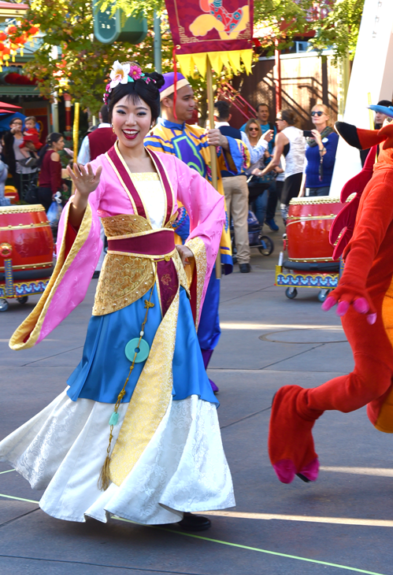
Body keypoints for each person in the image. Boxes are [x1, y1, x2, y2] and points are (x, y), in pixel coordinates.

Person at [0, 61, 234, 530]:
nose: (131, 121)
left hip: (170, 289)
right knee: (113, 384)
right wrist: (82, 197)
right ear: (109, 117)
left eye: (141, 112)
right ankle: (100, 486)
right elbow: (76, 232)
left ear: (153, 117)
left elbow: (212, 205)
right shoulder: (97, 169)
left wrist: (194, 249)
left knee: (181, 386)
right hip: (122, 291)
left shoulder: (171, 166)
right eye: (122, 111)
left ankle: (178, 494)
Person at [145, 71, 240, 386]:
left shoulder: (205, 135)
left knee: (209, 312)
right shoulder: (154, 140)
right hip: (176, 238)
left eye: (194, 96)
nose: (194, 103)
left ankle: (199, 373)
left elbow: (241, 163)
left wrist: (225, 142)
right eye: (186, 98)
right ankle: (177, 375)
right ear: (168, 102)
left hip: (210, 236)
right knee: (178, 309)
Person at [214, 100, 251, 272]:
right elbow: (248, 155)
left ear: (214, 116)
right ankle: (244, 261)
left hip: (221, 180)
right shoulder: (240, 133)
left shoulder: (212, 134)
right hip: (240, 179)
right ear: (229, 116)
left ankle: (225, 258)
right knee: (241, 221)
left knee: (223, 221)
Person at [254, 108, 306, 220]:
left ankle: (290, 236)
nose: (276, 122)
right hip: (305, 175)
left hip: (292, 175)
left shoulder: (281, 136)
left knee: (285, 210)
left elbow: (275, 161)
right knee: (299, 210)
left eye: (278, 119)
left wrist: (262, 172)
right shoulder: (301, 132)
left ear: (285, 121)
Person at [301, 104, 338, 197]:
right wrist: (302, 189)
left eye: (319, 113)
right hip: (309, 185)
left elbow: (329, 162)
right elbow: (306, 165)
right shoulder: (310, 139)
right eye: (313, 113)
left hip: (324, 185)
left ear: (327, 117)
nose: (315, 115)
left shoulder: (332, 136)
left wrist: (320, 143)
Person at [37, 132, 65, 211]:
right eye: (61, 141)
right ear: (54, 143)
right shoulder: (54, 154)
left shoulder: (46, 153)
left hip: (43, 189)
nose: (63, 144)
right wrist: (55, 191)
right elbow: (54, 174)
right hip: (49, 190)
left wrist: (62, 183)